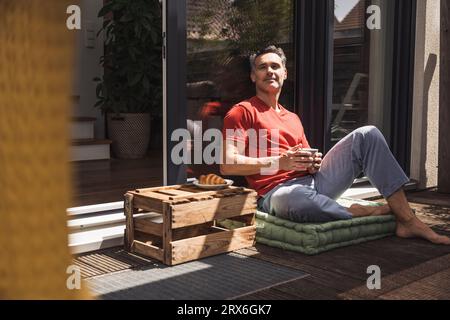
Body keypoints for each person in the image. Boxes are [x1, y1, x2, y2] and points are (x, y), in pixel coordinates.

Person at [220, 45, 450, 245]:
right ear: (253, 76)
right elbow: (228, 165)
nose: (270, 71)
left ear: (284, 73)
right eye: (262, 67)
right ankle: (363, 211)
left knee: (367, 134)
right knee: (297, 201)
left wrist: (313, 163)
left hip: (314, 182)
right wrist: (279, 162)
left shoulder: (292, 118)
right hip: (276, 191)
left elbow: (309, 160)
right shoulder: (241, 112)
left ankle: (408, 221)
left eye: (275, 66)